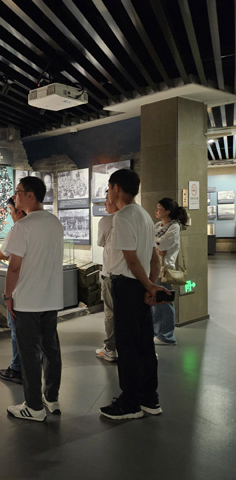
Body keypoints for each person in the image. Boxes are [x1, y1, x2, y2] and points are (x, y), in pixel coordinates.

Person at [99, 169, 169, 420]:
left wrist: (149, 287)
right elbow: (153, 258)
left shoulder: (123, 216)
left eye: (109, 188)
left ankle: (129, 402)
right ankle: (150, 398)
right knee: (144, 344)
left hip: (127, 286)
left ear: (116, 188)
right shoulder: (145, 216)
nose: (108, 193)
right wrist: (151, 285)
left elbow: (131, 260)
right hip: (139, 285)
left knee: (127, 346)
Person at [3, 176, 63, 422]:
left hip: (28, 299)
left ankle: (34, 406)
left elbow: (14, 267)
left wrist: (8, 295)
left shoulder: (23, 226)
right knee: (51, 349)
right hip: (51, 297)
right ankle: (52, 397)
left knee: (29, 353)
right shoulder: (54, 222)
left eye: (18, 191)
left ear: (30, 195)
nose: (15, 196)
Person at [0, 196, 26, 383]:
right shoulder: (41, 227)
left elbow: (3, 255)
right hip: (35, 289)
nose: (10, 215)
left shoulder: (17, 230)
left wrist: (7, 296)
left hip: (18, 289)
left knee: (16, 330)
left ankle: (17, 367)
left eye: (10, 211)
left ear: (19, 210)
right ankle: (35, 363)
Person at [153, 198, 188, 345]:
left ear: (168, 211)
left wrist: (156, 245)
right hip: (154, 268)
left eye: (159, 208)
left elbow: (162, 245)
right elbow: (152, 243)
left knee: (165, 302)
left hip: (165, 268)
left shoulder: (174, 227)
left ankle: (167, 336)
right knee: (156, 302)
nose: (156, 210)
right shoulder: (157, 225)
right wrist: (156, 245)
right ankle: (157, 332)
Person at [95, 193, 120, 361]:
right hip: (131, 275)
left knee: (111, 312)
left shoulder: (106, 221)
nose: (105, 203)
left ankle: (111, 348)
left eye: (107, 200)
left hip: (110, 273)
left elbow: (100, 242)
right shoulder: (139, 217)